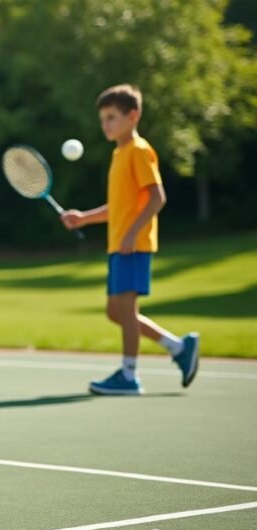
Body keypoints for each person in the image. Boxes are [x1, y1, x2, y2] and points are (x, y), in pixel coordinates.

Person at [61, 84, 199, 396]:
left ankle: (128, 375)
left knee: (125, 310)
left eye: (112, 117)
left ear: (133, 116)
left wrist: (133, 233)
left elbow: (157, 197)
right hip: (119, 245)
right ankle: (179, 347)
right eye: (102, 119)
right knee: (116, 312)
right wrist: (84, 218)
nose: (105, 124)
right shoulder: (119, 153)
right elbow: (119, 207)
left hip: (132, 246)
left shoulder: (138, 150)